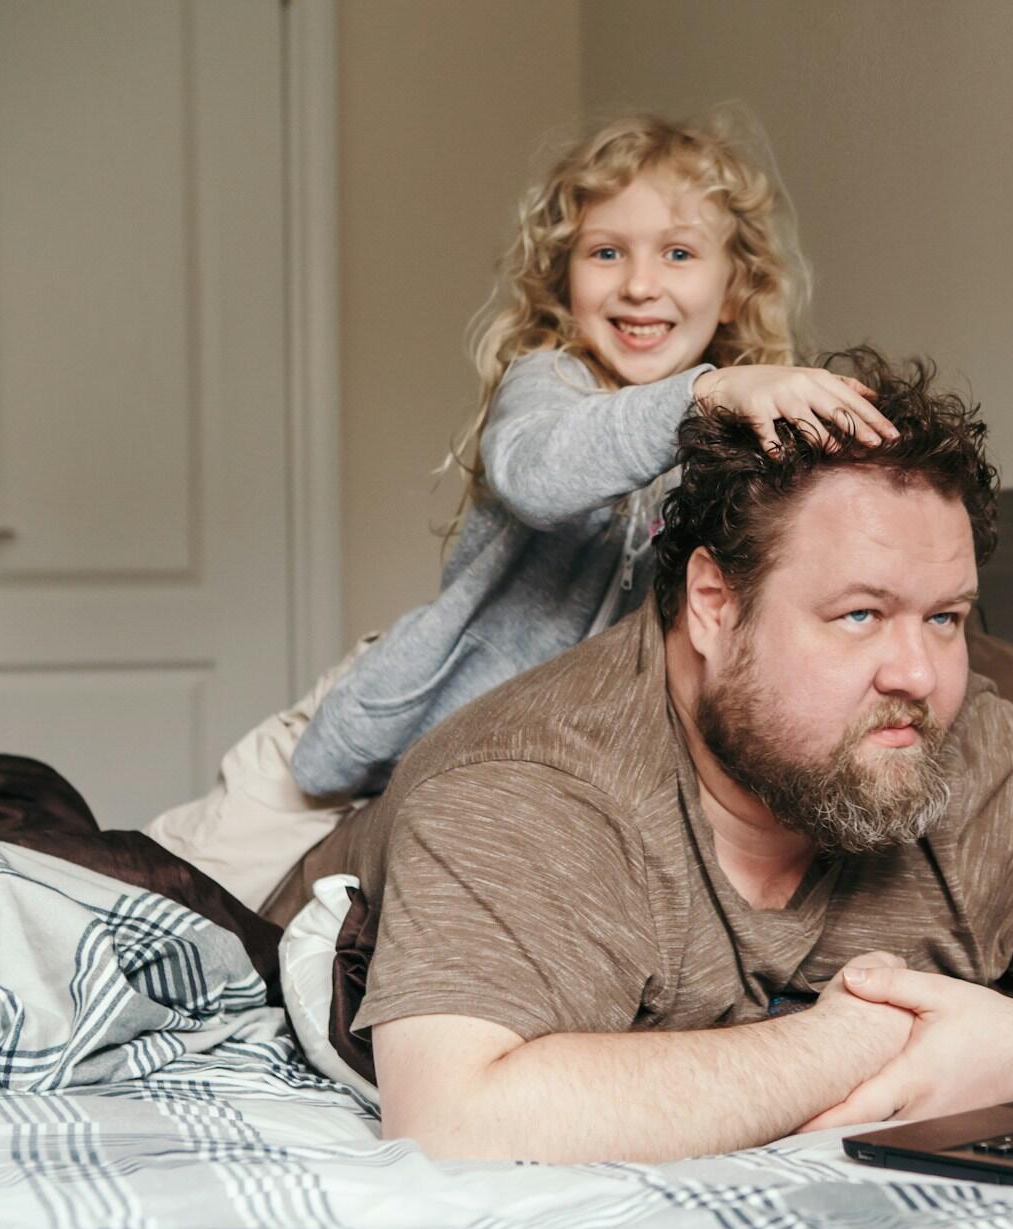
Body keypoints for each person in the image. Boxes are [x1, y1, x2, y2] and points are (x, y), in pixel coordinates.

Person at [261, 349, 1013, 1163]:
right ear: (713, 603)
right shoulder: (535, 781)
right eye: (860, 613)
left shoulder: (978, 752)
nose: (917, 673)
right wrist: (856, 1037)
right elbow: (455, 1122)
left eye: (947, 617)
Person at [288, 112, 895, 801]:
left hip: (524, 765)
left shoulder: (730, 444)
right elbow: (539, 477)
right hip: (390, 717)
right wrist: (707, 392)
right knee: (195, 869)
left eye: (678, 254)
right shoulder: (550, 381)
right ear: (563, 277)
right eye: (606, 253)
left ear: (734, 291)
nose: (639, 285)